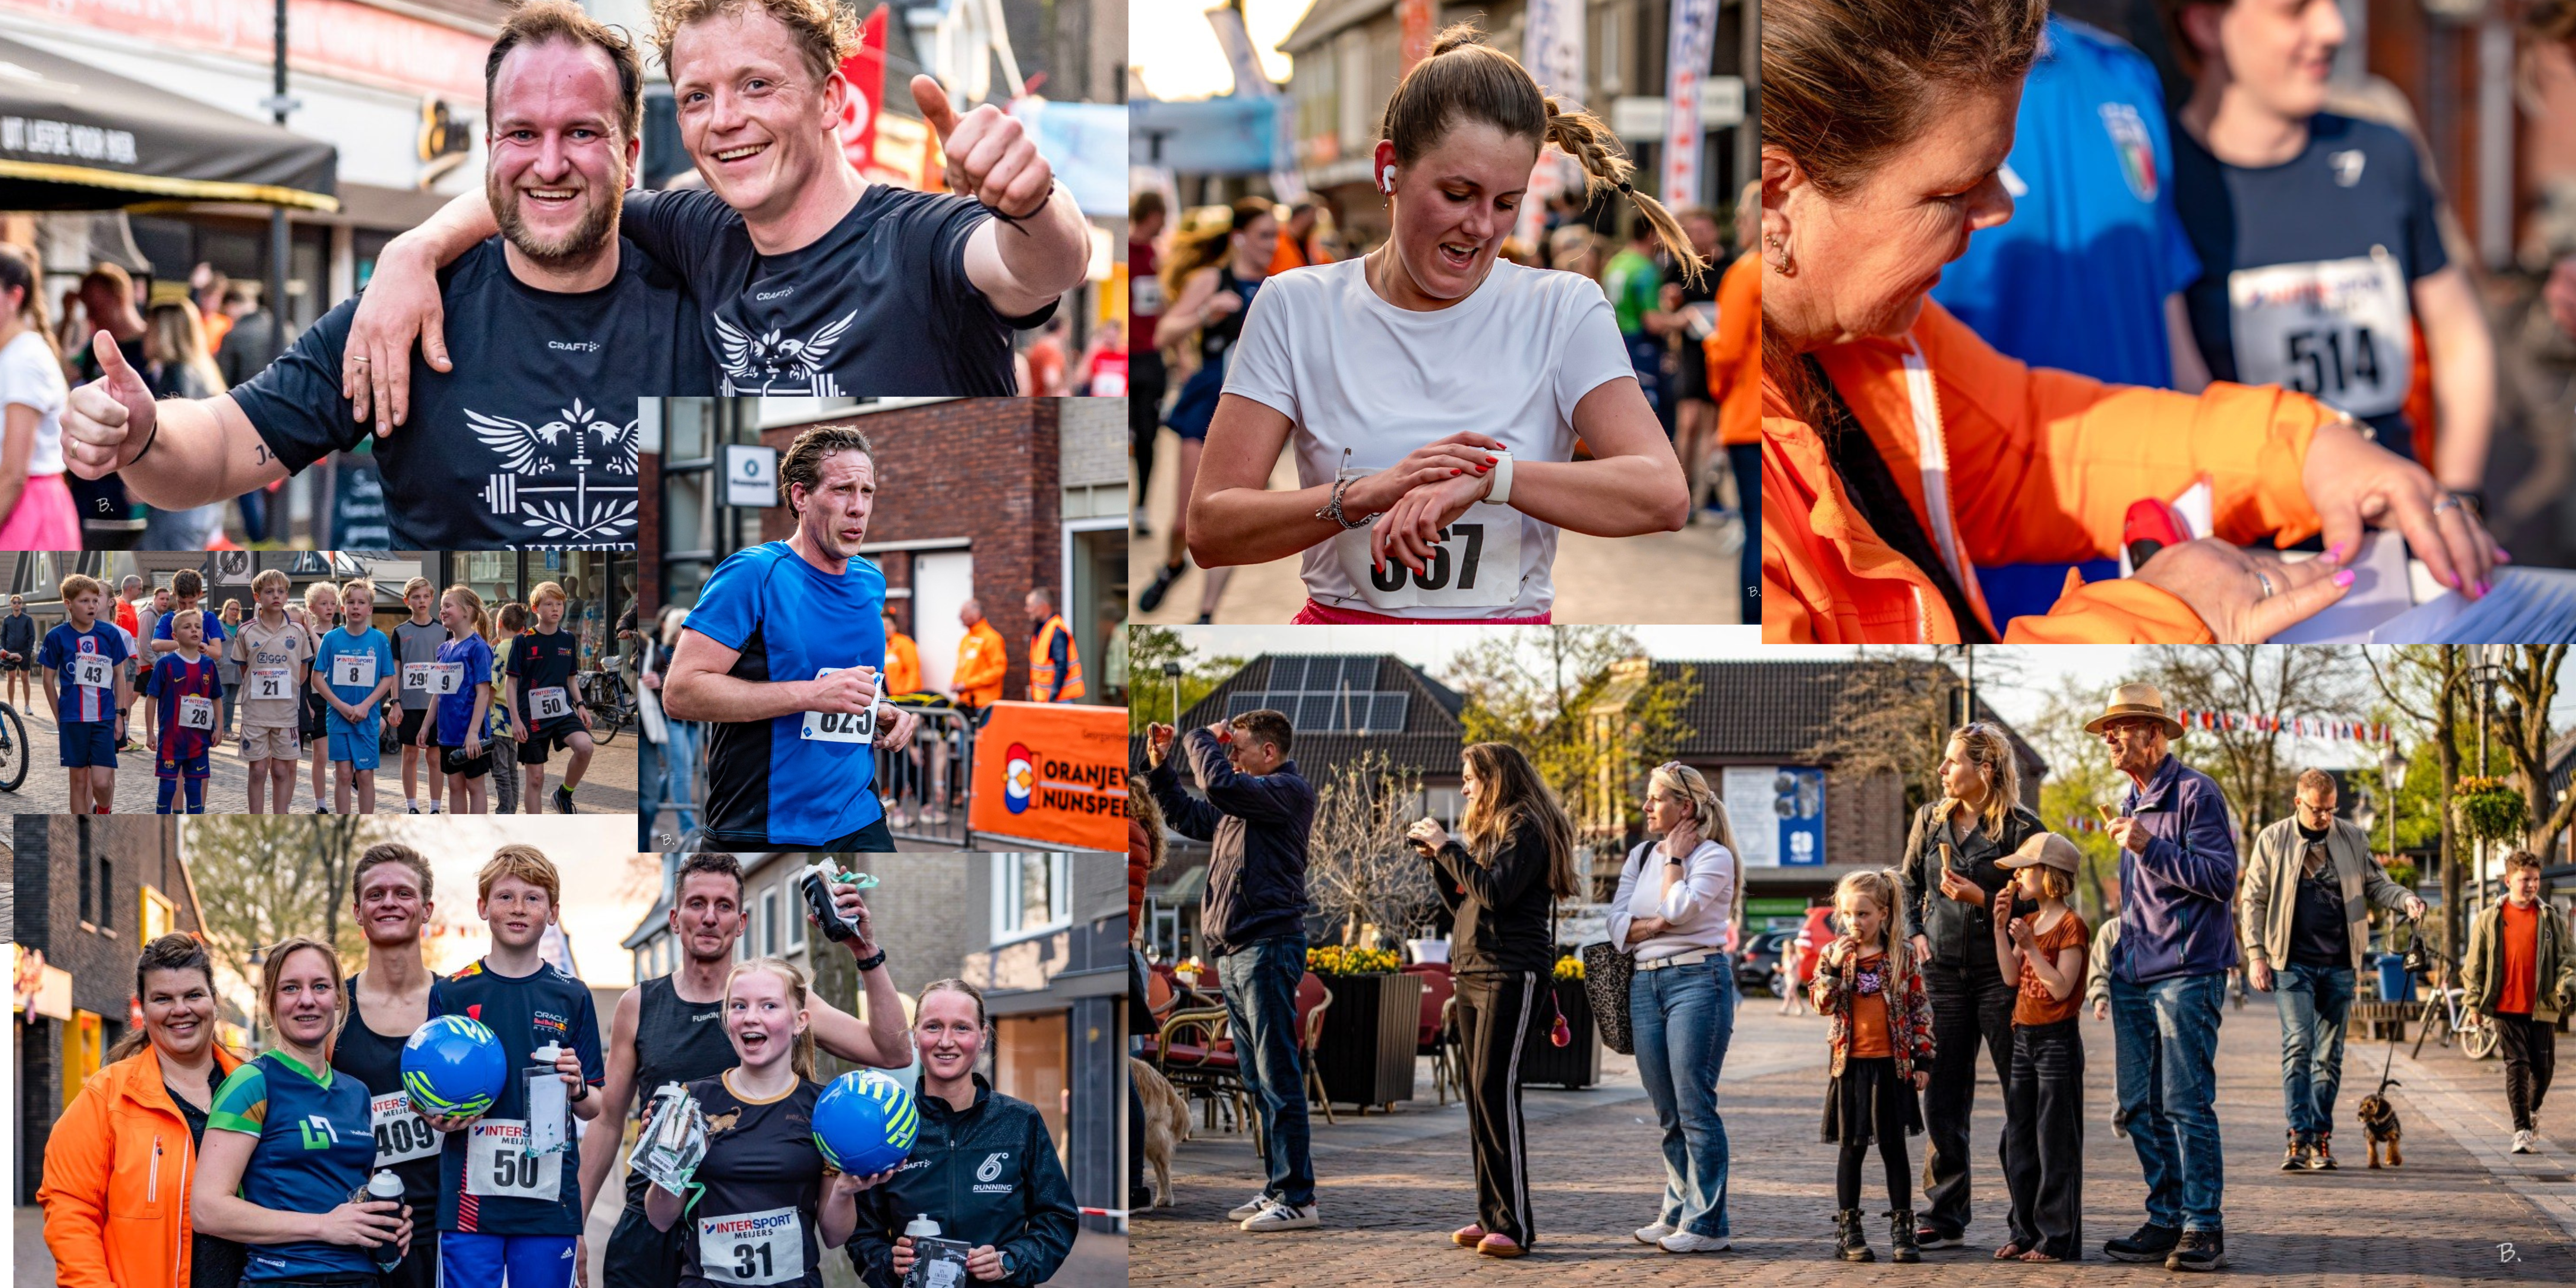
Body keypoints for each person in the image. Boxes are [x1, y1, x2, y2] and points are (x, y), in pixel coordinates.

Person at [1758, 0, 2499, 644]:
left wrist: (2305, 447)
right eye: (1952, 192)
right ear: (1776, 197)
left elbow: (2031, 451)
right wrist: (2172, 615)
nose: (1999, 211)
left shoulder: (1868, 339)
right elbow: (1911, 725)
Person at [59, 1, 708, 549]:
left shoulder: (708, 298)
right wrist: (143, 436)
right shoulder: (401, 312)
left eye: (581, 132)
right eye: (520, 133)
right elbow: (227, 443)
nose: (548, 162)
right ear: (489, 151)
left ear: (629, 156)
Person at [1188, 28, 1695, 625]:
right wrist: (1365, 495)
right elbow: (1210, 528)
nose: (1482, 225)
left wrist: (1492, 480)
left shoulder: (1564, 308)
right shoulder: (1295, 305)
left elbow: (1664, 495)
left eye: (1507, 203)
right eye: (1459, 193)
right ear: (1390, 170)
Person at [350, 0, 1086, 402]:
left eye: (757, 85)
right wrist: (413, 250)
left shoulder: (921, 237)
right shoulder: (701, 227)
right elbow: (563, 191)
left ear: (832, 98)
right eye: (699, 96)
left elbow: (1045, 265)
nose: (724, 119)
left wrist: (1031, 200)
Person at [2163, 0, 2493, 493]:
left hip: (2394, 522)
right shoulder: (2161, 179)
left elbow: (2458, 335)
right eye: (2295, 11)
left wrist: (2461, 493)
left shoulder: (2383, 154)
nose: (2333, 29)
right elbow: (2181, 390)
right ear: (2207, 24)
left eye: (2334, 5)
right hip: (2253, 539)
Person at [585, 851, 907, 1288]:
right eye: (697, 904)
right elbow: (607, 1123)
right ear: (676, 919)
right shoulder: (639, 1004)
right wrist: (572, 1225)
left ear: (742, 922)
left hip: (754, 1228)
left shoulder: (784, 1000)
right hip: (656, 1221)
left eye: (724, 907)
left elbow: (893, 1052)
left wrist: (865, 950)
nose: (710, 918)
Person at [662, 426, 924, 848]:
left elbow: (849, 681)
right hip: (764, 823)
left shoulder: (870, 581)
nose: (858, 508)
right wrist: (809, 696)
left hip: (857, 814)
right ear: (800, 497)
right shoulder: (753, 573)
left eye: (867, 491)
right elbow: (680, 692)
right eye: (842, 490)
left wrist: (885, 709)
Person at [1929, 13, 2204, 392]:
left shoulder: (2124, 71)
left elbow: (2165, 301)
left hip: (2142, 443)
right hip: (1981, 442)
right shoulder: (1901, 74)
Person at [1143, 708, 1319, 1234]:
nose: (1230, 754)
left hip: (1269, 945)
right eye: (1228, 746)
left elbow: (1217, 783)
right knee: (1259, 1080)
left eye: (1238, 746)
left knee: (1279, 1076)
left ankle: (1299, 1197)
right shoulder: (1242, 804)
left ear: (1269, 752)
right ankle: (1278, 1187)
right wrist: (1159, 767)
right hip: (1238, 950)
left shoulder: (1288, 789)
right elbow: (1185, 814)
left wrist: (1203, 736)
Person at [1402, 742, 1578, 1258]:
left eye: (1471, 777)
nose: (1464, 786)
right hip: (1476, 969)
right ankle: (1489, 1215)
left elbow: (1497, 893)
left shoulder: (1526, 826)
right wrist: (1440, 860)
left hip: (1511, 970)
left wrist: (1449, 845)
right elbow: (1468, 899)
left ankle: (1516, 1225)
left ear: (1495, 778)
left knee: (1494, 1090)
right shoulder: (1498, 828)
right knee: (1479, 1098)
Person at [2091, 681, 2236, 1269]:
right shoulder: (2129, 802)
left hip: (2187, 971)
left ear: (2155, 734)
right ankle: (2166, 1216)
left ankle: (2204, 1225)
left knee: (2185, 1101)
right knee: (2137, 1104)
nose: (2110, 737)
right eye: (2108, 728)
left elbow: (2223, 880)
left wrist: (2151, 848)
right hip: (2134, 972)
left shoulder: (2197, 793)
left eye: (2122, 727)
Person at [641, 959, 886, 1288]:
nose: (751, 1017)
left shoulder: (827, 1110)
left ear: (800, 1021)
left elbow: (834, 1236)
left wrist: (844, 1191)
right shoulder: (691, 1101)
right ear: (727, 1020)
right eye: (739, 1006)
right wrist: (666, 1166)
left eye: (769, 1006)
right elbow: (660, 1219)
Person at [425, 847, 605, 1288]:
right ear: (483, 908)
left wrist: (578, 1087)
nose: (519, 908)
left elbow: (595, 1106)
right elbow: (428, 1097)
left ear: (553, 912)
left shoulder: (574, 995)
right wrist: (437, 1115)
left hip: (548, 1202)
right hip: (470, 1201)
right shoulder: (451, 992)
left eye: (534, 897)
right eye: (506, 897)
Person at [1897, 721, 2044, 1250]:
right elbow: (1908, 881)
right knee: (1943, 1097)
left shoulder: (2023, 830)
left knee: (2019, 1094)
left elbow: (2039, 903)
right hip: (1941, 975)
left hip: (1999, 976)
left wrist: (1981, 900)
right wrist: (1914, 933)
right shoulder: (1929, 819)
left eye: (1952, 762)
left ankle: (2028, 1219)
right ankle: (1945, 1212)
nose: (1941, 771)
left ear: (1984, 770)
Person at [193, 937, 416, 1283]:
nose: (307, 1000)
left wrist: (389, 1222)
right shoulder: (252, 1083)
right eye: (291, 988)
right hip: (284, 1279)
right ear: (270, 1001)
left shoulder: (357, 1093)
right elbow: (208, 1210)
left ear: (339, 998)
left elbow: (353, 1194)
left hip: (362, 1279)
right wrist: (325, 1226)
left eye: (321, 986)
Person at [2238, 767, 2425, 1170]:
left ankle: (2321, 1137)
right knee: (2299, 1046)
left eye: (2330, 809)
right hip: (2292, 963)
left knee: (2330, 1056)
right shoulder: (2273, 840)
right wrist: (2256, 953)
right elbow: (2252, 899)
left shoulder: (2352, 837)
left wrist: (2406, 899)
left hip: (2341, 962)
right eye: (2317, 810)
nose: (2324, 817)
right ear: (2298, 802)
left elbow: (2378, 884)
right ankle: (2297, 1137)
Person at [39, 933, 249, 1288]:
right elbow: (70, 1209)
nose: (180, 1010)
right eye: (163, 998)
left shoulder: (254, 1089)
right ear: (143, 1007)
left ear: (214, 1000)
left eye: (193, 995)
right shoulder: (106, 1097)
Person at [849, 979, 1081, 1287]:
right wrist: (889, 1263)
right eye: (933, 1027)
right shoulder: (890, 1127)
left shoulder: (1020, 1122)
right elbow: (862, 1233)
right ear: (915, 1036)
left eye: (962, 1028)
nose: (946, 1041)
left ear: (983, 1036)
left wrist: (1012, 1260)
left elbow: (1057, 1218)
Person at [1601, 762, 1741, 1254]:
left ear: (1686, 807)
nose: (1646, 807)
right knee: (1668, 1112)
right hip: (1644, 985)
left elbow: (1679, 910)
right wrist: (1654, 924)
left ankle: (1707, 1225)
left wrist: (1676, 865)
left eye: (1657, 798)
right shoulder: (1641, 855)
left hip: (1697, 981)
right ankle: (1678, 1209)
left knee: (1695, 1107)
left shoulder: (1713, 857)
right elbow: (1617, 924)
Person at [1134, 197, 1275, 622]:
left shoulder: (1280, 287)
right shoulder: (1214, 279)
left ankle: (1206, 614)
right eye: (1264, 236)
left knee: (1234, 522)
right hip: (1205, 402)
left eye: (1275, 237)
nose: (1272, 245)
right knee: (1184, 524)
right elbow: (1163, 333)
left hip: (1255, 410)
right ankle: (1173, 566)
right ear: (1239, 238)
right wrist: (1204, 312)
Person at [333, 845, 451, 1288]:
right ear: (358, 912)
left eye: (403, 893)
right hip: (359, 1235)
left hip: (451, 1231)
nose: (389, 902)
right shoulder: (333, 1011)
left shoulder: (460, 1006)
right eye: (375, 894)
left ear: (426, 910)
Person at [1811, 868, 1934, 1264]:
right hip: (1850, 1067)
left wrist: (1924, 1058)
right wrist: (1831, 969)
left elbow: (1920, 1010)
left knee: (1895, 1149)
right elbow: (1821, 1006)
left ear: (1883, 913)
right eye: (1848, 915)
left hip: (1893, 1067)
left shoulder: (1903, 955)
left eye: (1863, 914)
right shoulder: (1834, 957)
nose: (1854, 923)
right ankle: (1850, 1229)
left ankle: (1903, 1228)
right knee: (1852, 1149)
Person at [1990, 833, 2090, 1262]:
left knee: (2055, 1142)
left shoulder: (2071, 925)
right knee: (2017, 1139)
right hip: (2024, 1039)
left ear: (2049, 876)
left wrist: (2032, 949)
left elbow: (2062, 986)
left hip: (2056, 1042)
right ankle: (2024, 1230)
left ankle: (2057, 1238)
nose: (2017, 875)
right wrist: (2000, 930)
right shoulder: (2028, 923)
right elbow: (2012, 978)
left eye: (2025, 868)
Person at [2462, 850, 2576, 1155]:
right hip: (2506, 1007)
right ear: (2508, 881)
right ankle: (2522, 1130)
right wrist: (2474, 1005)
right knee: (2517, 1065)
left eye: (2536, 880)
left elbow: (2568, 959)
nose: (2531, 886)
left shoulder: (2550, 917)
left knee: (2544, 1069)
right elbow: (2475, 964)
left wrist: (2565, 988)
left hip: (2542, 1006)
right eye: (2525, 880)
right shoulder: (2490, 918)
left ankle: (2533, 1111)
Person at [0, 243, 79, 547]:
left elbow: (15, 474)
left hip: (26, 511)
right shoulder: (15, 354)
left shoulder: (24, 359)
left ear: (14, 297)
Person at [138, 302, 230, 551]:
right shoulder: (202, 371)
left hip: (181, 504)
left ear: (163, 333)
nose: (144, 335)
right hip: (203, 500)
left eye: (150, 329)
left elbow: (171, 439)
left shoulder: (177, 375)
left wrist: (144, 482)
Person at [39, 574, 131, 814]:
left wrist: (121, 715)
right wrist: (59, 717)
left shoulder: (109, 634)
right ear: (68, 604)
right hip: (73, 718)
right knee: (79, 782)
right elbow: (48, 680)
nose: (92, 606)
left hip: (104, 718)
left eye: (94, 601)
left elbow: (120, 675)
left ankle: (103, 810)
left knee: (101, 783)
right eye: (84, 601)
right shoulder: (57, 636)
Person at [507, 581, 596, 815]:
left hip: (562, 711)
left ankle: (563, 794)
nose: (555, 609)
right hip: (531, 716)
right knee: (536, 779)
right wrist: (515, 720)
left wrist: (581, 706)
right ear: (536, 609)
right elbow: (511, 683)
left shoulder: (568, 639)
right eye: (549, 604)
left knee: (585, 747)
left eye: (559, 604)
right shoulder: (523, 640)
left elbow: (571, 678)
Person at [1661, 206, 1724, 524]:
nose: (1700, 238)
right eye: (1693, 232)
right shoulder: (1679, 269)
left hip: (1722, 352)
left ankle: (1705, 493)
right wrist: (1671, 306)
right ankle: (1682, 489)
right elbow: (1664, 310)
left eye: (1705, 230)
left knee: (1713, 426)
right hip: (1689, 352)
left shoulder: (1731, 267)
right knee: (1688, 422)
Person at [316, 578, 397, 814]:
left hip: (367, 717)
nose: (356, 607)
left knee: (364, 774)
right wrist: (341, 706)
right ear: (343, 608)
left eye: (362, 603)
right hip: (339, 718)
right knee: (343, 773)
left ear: (370, 609)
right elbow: (317, 678)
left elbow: (388, 678)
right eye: (351, 602)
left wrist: (366, 706)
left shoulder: (379, 639)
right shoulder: (331, 639)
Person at [237, 569, 313, 814]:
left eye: (281, 591)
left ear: (288, 596)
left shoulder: (298, 632)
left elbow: (303, 671)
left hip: (286, 713)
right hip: (256, 713)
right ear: (258, 596)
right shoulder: (245, 631)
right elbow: (245, 670)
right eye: (269, 592)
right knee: (258, 771)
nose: (276, 596)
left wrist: (290, 690)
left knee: (281, 771)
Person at [139, 607, 223, 814]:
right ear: (175, 636)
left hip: (199, 740)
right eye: (187, 627)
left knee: (195, 788)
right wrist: (151, 732)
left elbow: (216, 699)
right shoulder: (165, 664)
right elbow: (151, 699)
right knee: (168, 788)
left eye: (198, 627)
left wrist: (219, 728)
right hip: (171, 740)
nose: (194, 631)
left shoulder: (209, 665)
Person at [436, 585, 498, 814]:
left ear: (466, 611)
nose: (442, 611)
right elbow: (438, 692)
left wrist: (473, 733)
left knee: (475, 785)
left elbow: (484, 693)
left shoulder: (478, 648)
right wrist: (426, 726)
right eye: (442, 606)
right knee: (454, 786)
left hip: (471, 732)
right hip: (447, 732)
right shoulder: (443, 649)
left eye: (448, 606)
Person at [638, 605, 698, 845]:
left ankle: (650, 816)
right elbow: (661, 681)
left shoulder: (696, 652)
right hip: (671, 722)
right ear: (675, 629)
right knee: (681, 773)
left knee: (676, 773)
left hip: (693, 723)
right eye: (684, 625)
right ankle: (687, 828)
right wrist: (659, 680)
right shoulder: (662, 652)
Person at [1603, 219, 1670, 430]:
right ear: (1652, 235)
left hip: (1617, 342)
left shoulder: (1616, 263)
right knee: (1650, 415)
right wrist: (1684, 318)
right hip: (1642, 347)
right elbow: (1653, 322)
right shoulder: (1645, 269)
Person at [1130, 190, 1169, 536]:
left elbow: (1162, 307)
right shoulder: (1125, 252)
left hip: (1151, 358)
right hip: (1126, 360)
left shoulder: (1157, 256)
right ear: (1152, 215)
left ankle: (1141, 506)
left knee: (1148, 438)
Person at [394, 577, 448, 814]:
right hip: (409, 704)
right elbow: (395, 670)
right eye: (416, 597)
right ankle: (412, 806)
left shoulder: (444, 631)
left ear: (432, 599)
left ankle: (435, 807)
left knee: (435, 759)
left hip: (435, 705)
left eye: (426, 596)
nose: (422, 601)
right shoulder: (400, 632)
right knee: (410, 756)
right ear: (408, 601)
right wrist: (395, 702)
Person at [300, 580, 342, 813]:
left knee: (342, 753)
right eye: (323, 603)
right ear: (312, 607)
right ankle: (321, 805)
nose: (329, 607)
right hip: (315, 700)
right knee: (321, 755)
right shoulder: (306, 636)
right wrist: (305, 702)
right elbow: (307, 671)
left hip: (340, 701)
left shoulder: (342, 635)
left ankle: (347, 776)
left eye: (333, 603)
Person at [492, 602, 527, 814]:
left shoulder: (500, 649)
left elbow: (492, 685)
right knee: (512, 771)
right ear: (522, 628)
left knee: (500, 772)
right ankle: (512, 809)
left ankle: (504, 811)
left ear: (500, 623)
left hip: (497, 719)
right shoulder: (523, 648)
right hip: (516, 720)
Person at [950, 598, 1008, 719]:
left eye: (963, 613)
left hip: (984, 705)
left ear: (976, 614)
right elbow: (962, 667)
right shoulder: (966, 639)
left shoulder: (992, 639)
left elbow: (998, 671)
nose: (960, 617)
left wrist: (967, 685)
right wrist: (956, 683)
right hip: (966, 704)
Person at [1025, 586, 1083, 703]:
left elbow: (1062, 666)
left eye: (1031, 606)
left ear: (1043, 606)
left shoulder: (1056, 630)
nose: (1028, 610)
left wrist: (1053, 695)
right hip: (1045, 698)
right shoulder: (1041, 628)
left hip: (1058, 700)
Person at [1269, 198, 1336, 273]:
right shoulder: (1277, 242)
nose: (1315, 221)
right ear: (1299, 216)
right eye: (1312, 216)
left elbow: (1328, 267)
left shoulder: (1312, 245)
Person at [0, 593, 36, 710]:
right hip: (10, 653)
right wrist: (4, 651)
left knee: (25, 678)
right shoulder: (7, 620)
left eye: (19, 602)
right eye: (14, 602)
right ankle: (11, 707)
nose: (17, 605)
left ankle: (27, 706)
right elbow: (3, 636)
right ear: (11, 604)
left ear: (22, 604)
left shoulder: (28, 619)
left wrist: (29, 650)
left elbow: (32, 636)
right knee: (11, 678)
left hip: (24, 652)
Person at [215, 599, 244, 735]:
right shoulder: (219, 626)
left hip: (237, 670)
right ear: (225, 610)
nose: (234, 612)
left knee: (231, 701)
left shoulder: (242, 627)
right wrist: (218, 660)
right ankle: (218, 729)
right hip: (222, 668)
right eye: (232, 609)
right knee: (222, 699)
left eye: (237, 610)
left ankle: (228, 729)